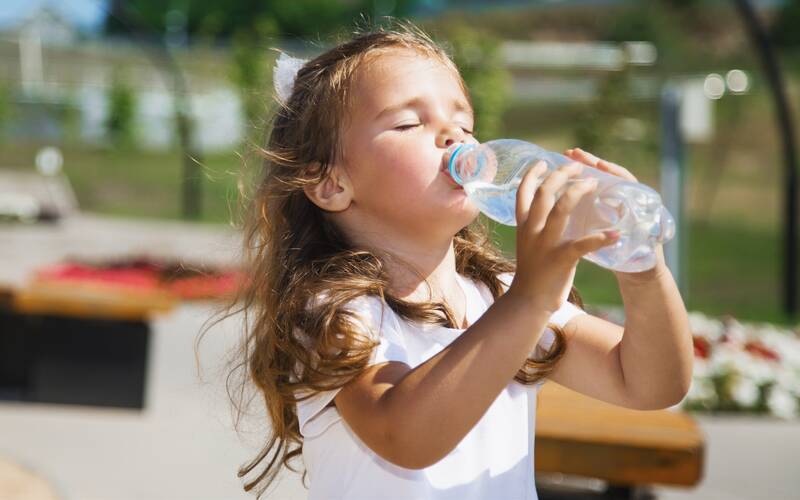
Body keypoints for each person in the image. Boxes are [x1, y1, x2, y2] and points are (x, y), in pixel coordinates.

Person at [218, 21, 693, 500]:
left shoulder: (497, 292)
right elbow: (404, 435)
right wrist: (530, 300)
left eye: (463, 124)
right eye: (409, 123)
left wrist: (641, 267)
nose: (452, 136)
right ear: (331, 184)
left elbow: (650, 384)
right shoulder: (333, 312)